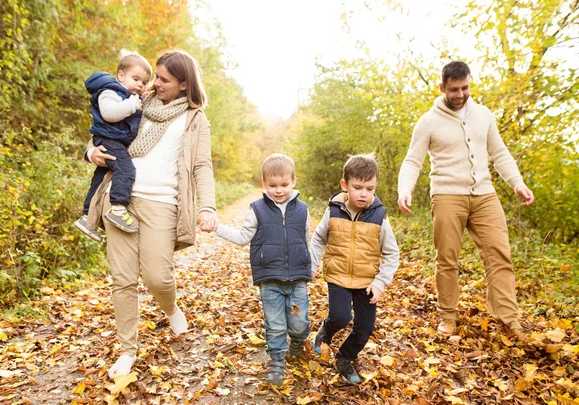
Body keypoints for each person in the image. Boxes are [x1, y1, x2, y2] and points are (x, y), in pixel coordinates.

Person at [83, 50, 218, 379]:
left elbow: (202, 166)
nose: (155, 84)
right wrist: (90, 153)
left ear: (183, 84)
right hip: (121, 200)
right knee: (123, 280)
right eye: (154, 76)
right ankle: (128, 350)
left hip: (163, 204)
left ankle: (170, 307)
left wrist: (208, 206)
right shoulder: (136, 102)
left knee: (158, 276)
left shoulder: (194, 119)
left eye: (164, 79)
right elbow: (104, 131)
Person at [397, 60, 535, 339]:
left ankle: (508, 318)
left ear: (470, 84)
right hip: (447, 195)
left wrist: (517, 183)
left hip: (484, 195)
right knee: (447, 259)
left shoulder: (484, 115)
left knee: (499, 255)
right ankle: (448, 317)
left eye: (465, 87)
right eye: (454, 89)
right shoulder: (428, 122)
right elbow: (413, 161)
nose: (460, 94)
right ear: (442, 87)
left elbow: (500, 153)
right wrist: (405, 189)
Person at [206, 153, 312, 387]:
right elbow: (243, 237)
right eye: (272, 185)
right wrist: (217, 228)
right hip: (269, 278)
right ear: (264, 184)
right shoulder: (257, 209)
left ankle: (297, 340)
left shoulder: (302, 209)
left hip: (297, 278)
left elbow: (305, 240)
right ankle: (276, 359)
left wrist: (309, 265)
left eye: (284, 184)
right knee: (275, 324)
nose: (279, 190)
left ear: (293, 181)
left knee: (300, 323)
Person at [310, 153, 400, 384]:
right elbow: (319, 239)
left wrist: (380, 283)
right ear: (345, 185)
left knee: (364, 328)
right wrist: (312, 264)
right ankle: (326, 333)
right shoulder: (333, 211)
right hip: (338, 275)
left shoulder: (380, 217)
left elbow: (392, 254)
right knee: (340, 317)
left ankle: (345, 357)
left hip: (367, 281)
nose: (364, 194)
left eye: (370, 189)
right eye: (358, 187)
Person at [74, 51, 152, 241]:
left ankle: (86, 217)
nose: (139, 85)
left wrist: (140, 100)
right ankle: (118, 208)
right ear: (120, 76)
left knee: (100, 179)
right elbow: (109, 113)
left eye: (143, 82)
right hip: (108, 140)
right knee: (126, 170)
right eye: (135, 79)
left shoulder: (126, 95)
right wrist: (132, 105)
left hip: (112, 141)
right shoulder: (109, 91)